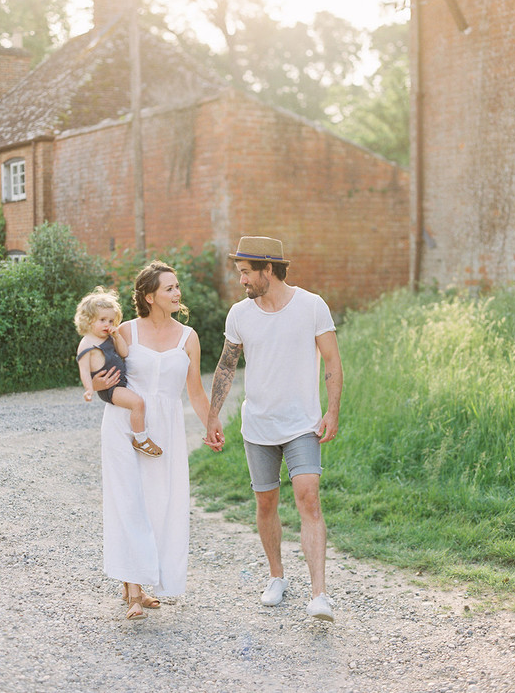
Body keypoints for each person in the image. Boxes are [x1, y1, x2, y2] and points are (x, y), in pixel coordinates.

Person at [205, 236, 343, 622]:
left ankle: (319, 595)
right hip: (258, 427)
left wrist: (332, 411)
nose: (242, 281)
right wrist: (213, 416)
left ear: (268, 269)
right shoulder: (240, 314)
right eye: (240, 274)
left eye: (247, 273)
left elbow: (332, 360)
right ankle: (277, 577)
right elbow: (226, 366)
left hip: (302, 424)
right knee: (265, 503)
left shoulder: (312, 306)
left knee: (308, 498)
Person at [91, 261, 215, 620]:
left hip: (167, 429)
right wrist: (99, 384)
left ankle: (144, 581)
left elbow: (194, 390)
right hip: (125, 425)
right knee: (129, 502)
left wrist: (212, 423)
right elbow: (102, 373)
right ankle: (132, 591)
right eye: (169, 288)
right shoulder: (124, 331)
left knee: (160, 504)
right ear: (149, 296)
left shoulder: (188, 337)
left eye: (177, 287)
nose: (177, 294)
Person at [74, 287, 162, 457]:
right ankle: (141, 439)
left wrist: (117, 337)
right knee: (138, 403)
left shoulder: (108, 337)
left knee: (140, 402)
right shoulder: (86, 343)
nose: (108, 325)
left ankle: (141, 435)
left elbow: (124, 353)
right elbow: (84, 370)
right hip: (111, 389)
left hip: (120, 383)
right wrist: (89, 389)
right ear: (88, 320)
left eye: (111, 321)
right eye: (102, 320)